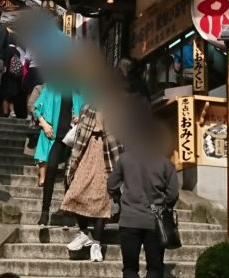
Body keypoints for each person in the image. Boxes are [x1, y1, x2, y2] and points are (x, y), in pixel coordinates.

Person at [107, 123, 179, 278]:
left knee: (130, 268)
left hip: (129, 220)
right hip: (155, 220)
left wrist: (119, 199)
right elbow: (173, 194)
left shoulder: (125, 159)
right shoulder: (166, 164)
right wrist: (164, 205)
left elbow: (112, 184)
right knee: (155, 267)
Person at [60, 99, 123, 262]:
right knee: (76, 192)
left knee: (102, 199)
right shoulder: (87, 107)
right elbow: (80, 134)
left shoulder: (116, 107)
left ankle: (96, 243)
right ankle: (83, 232)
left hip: (105, 155)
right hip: (86, 152)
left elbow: (118, 138)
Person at [33, 82, 84, 224]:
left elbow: (88, 111)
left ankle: (68, 213)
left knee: (70, 176)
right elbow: (36, 108)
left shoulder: (79, 91)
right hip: (56, 138)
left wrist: (80, 117)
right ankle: (45, 212)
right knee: (51, 168)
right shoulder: (51, 88)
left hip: (72, 138)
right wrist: (44, 124)